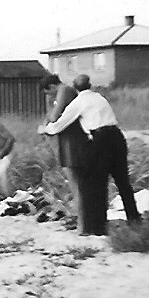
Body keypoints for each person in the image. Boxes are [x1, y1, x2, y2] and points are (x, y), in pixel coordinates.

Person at [39, 75, 140, 235]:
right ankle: (134, 220)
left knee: (98, 182)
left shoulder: (78, 102)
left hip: (100, 138)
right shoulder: (99, 97)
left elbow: (59, 123)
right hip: (118, 137)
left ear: (76, 88)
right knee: (123, 182)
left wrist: (44, 129)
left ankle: (99, 227)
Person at [39, 74, 90, 227]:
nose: (50, 96)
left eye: (49, 93)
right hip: (68, 139)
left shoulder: (64, 90)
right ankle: (81, 218)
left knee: (75, 182)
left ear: (52, 86)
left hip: (73, 140)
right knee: (74, 182)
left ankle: (82, 221)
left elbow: (54, 116)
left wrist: (50, 108)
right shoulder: (64, 91)